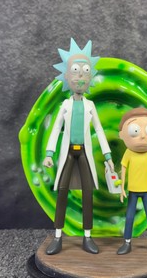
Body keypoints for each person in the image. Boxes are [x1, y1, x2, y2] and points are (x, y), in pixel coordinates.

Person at [43, 38, 114, 255]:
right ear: (66, 75)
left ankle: (87, 236)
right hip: (67, 153)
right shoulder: (65, 105)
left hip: (84, 153)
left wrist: (108, 156)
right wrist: (49, 153)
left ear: (91, 77)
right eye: (75, 71)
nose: (80, 76)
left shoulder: (90, 105)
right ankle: (58, 236)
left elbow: (99, 130)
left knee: (87, 193)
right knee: (62, 192)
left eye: (85, 71)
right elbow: (56, 129)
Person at [118, 107, 147, 255]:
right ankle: (127, 242)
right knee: (129, 217)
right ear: (122, 135)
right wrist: (121, 189)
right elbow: (123, 169)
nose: (143, 137)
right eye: (135, 131)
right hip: (133, 191)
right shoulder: (128, 153)